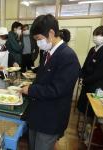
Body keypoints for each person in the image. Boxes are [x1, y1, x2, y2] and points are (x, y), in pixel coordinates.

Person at [20, 14, 80, 150]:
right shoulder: (48, 53)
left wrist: (31, 90)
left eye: (39, 39)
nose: (37, 43)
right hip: (38, 114)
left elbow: (57, 89)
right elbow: (42, 79)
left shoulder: (67, 56)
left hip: (50, 119)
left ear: (51, 33)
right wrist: (29, 87)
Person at [77, 26, 103, 117]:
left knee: (92, 111)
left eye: (99, 35)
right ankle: (84, 127)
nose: (96, 37)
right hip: (86, 82)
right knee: (83, 108)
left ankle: (89, 127)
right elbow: (85, 65)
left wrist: (85, 80)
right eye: (95, 35)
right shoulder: (92, 49)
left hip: (96, 86)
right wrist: (81, 76)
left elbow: (99, 73)